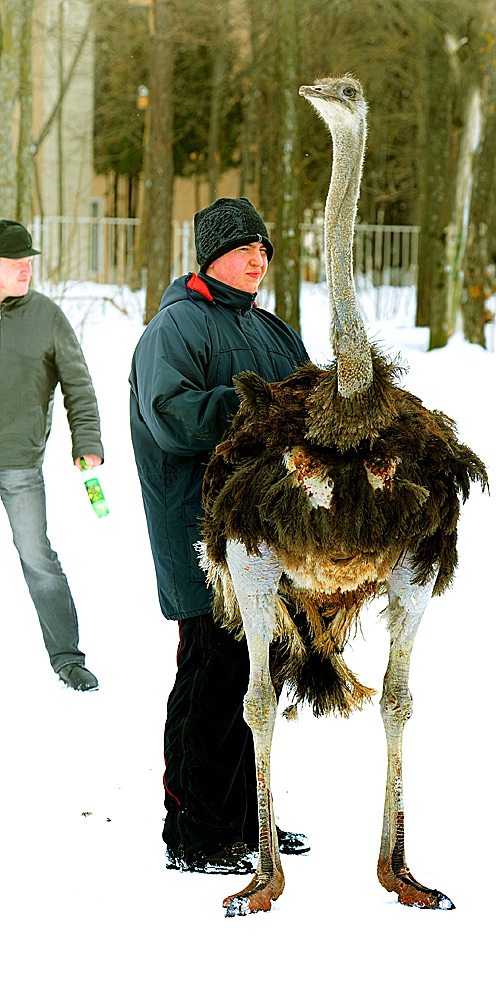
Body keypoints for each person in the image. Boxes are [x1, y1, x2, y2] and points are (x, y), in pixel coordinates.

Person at [130, 197, 311, 874]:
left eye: (263, 249)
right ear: (210, 257)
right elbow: (171, 418)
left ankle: (246, 818)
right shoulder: (176, 328)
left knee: (256, 674)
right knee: (211, 674)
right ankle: (196, 832)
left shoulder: (274, 330)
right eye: (242, 249)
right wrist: (255, 403)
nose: (256, 259)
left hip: (270, 535)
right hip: (197, 534)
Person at [0, 220, 104, 691]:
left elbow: (78, 384)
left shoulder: (45, 315)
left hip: (20, 464)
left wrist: (87, 442)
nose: (27, 269)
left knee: (37, 557)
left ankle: (68, 658)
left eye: (29, 261)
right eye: (15, 262)